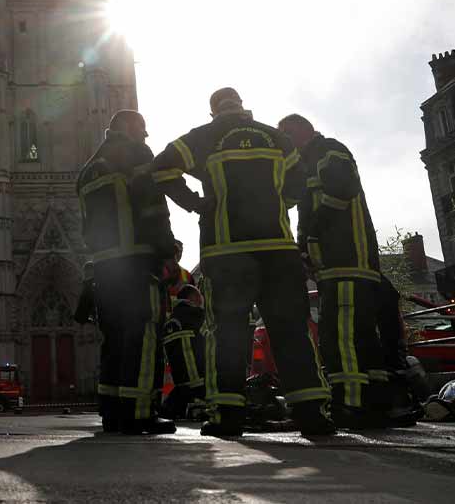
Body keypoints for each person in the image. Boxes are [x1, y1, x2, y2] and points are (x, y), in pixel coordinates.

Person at [150, 88, 334, 437]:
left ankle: (228, 415)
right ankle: (312, 413)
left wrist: (194, 203)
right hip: (278, 250)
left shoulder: (205, 136)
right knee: (292, 331)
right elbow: (299, 186)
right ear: (242, 106)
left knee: (227, 333)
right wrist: (277, 205)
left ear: (213, 111)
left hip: (227, 252)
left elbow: (160, 168)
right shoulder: (277, 138)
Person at [278, 113, 393, 428]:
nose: (286, 142)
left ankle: (348, 404)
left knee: (339, 336)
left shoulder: (328, 150)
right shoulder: (308, 163)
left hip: (345, 261)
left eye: (287, 135)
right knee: (362, 336)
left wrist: (312, 235)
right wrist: (305, 249)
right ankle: (377, 403)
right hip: (341, 265)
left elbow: (341, 190)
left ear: (303, 131)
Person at [77, 110, 178, 435]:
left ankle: (112, 413)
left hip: (105, 269)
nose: (145, 136)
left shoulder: (88, 170)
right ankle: (139, 412)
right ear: (128, 128)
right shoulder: (135, 154)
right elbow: (153, 207)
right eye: (142, 129)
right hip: (137, 262)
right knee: (143, 335)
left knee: (114, 339)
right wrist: (167, 251)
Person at [161, 284, 207, 419]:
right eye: (199, 296)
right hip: (200, 380)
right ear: (193, 297)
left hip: (180, 380)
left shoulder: (172, 319)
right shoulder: (196, 314)